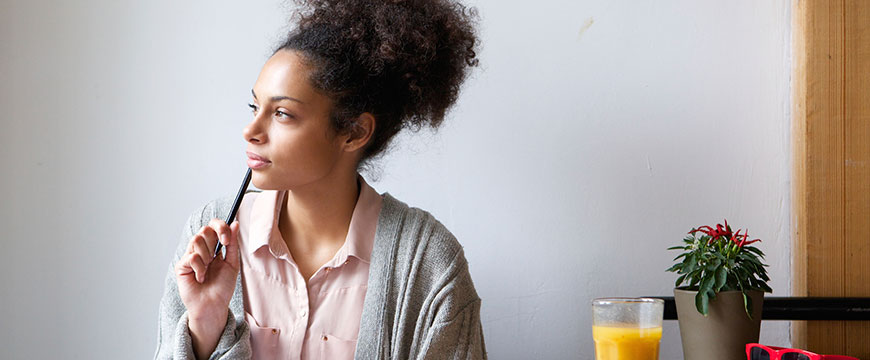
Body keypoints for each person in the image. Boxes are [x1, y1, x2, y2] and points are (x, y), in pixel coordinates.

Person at [153, 0, 485, 359]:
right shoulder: (209, 236)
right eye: (254, 107)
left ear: (354, 132)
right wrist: (206, 323)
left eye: (282, 113)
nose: (251, 131)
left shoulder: (429, 264)